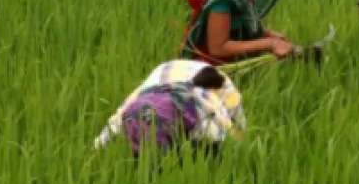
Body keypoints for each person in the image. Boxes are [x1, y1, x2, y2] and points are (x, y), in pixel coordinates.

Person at [94, 60, 246, 158]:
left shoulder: (141, 97)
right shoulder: (131, 109)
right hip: (167, 78)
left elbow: (116, 119)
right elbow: (232, 134)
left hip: (173, 72)